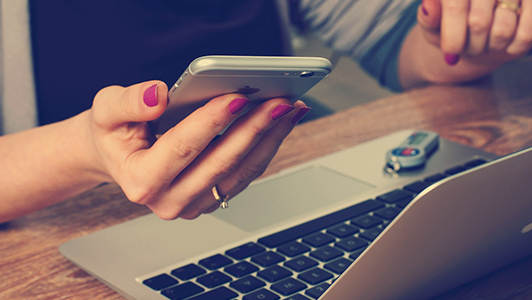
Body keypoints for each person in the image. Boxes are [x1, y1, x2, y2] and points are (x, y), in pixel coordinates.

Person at [0, 0, 530, 223]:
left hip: (277, 186)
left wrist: (469, 32)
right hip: (53, 231)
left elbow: (402, 44)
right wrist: (85, 151)